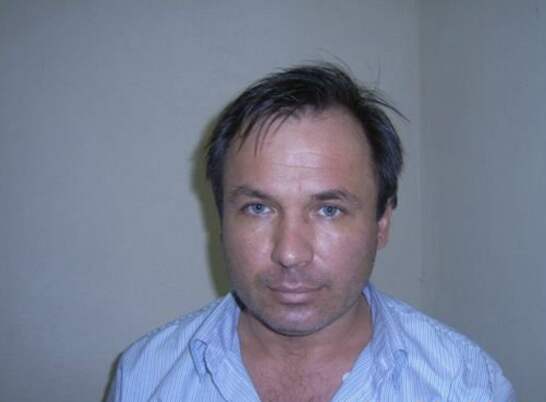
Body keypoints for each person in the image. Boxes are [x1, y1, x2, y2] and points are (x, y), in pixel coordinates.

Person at [107, 63, 515, 401]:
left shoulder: (467, 385)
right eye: (258, 208)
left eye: (329, 210)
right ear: (221, 222)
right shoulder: (144, 377)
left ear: (382, 223)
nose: (290, 253)